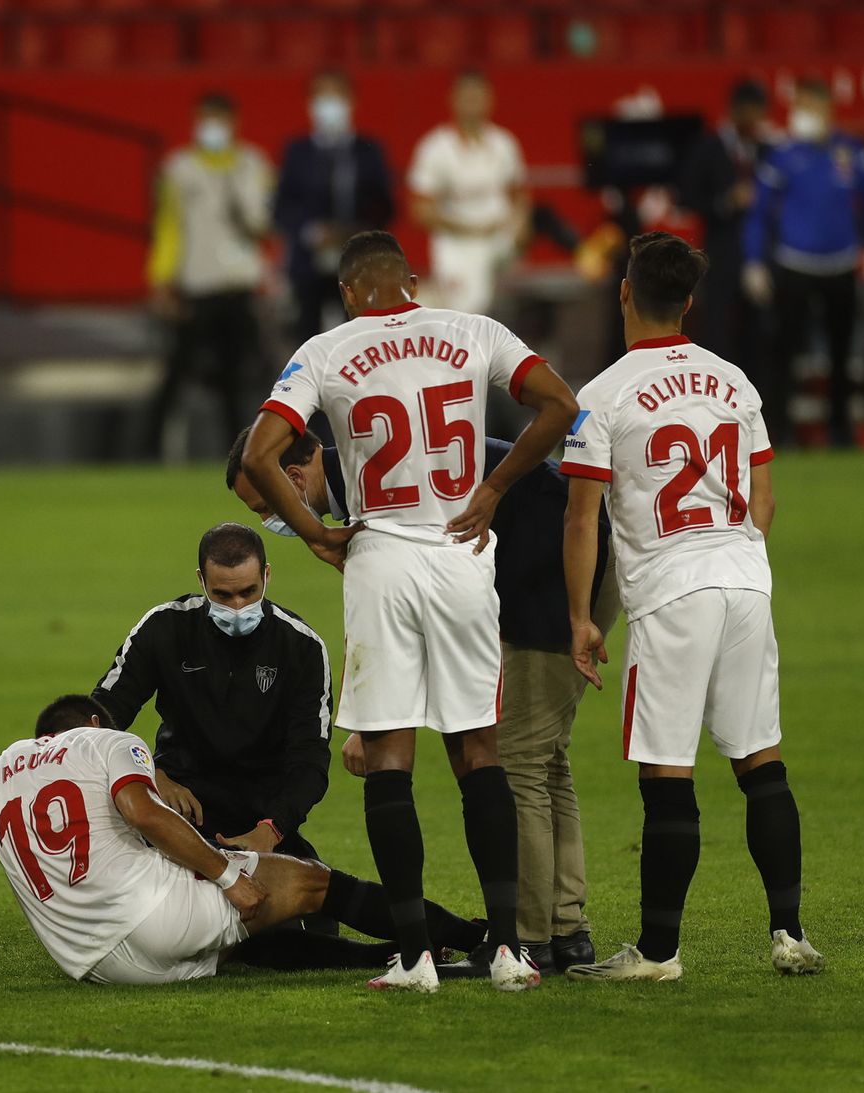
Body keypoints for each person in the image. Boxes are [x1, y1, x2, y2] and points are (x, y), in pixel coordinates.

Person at [242, 230, 579, 994]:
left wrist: (316, 532)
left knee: (389, 758)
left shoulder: (325, 349)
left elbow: (261, 452)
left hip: (383, 557)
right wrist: (494, 487)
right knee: (479, 750)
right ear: (413, 282)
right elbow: (561, 404)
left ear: (347, 293)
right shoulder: (474, 330)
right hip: (462, 551)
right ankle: (507, 949)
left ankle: (417, 956)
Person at [226, 425, 622, 975]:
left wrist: (373, 720)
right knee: (543, 758)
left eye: (266, 505)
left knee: (519, 761)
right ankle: (564, 930)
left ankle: (528, 939)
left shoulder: (370, 493)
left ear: (292, 476)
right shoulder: (371, 464)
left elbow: (408, 600)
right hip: (575, 554)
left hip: (556, 566)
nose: (273, 520)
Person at [560, 231, 824, 982]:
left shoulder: (603, 394)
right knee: (760, 760)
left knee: (667, 772)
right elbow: (764, 496)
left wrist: (581, 618)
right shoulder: (735, 382)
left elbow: (582, 519)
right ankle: (790, 933)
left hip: (671, 591)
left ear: (625, 294)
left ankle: (658, 952)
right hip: (745, 579)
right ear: (688, 302)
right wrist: (736, 556)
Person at [0, 695, 485, 988]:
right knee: (310, 883)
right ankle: (472, 938)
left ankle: (385, 959)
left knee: (242, 945)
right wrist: (230, 877)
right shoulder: (106, 741)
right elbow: (142, 812)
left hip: (95, 968)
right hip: (153, 920)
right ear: (93, 722)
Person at [91, 523, 332, 865]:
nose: (237, 607)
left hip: (261, 818)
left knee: (316, 899)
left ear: (266, 576)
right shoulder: (165, 628)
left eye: (248, 592)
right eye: (222, 595)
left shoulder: (302, 647)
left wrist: (273, 829)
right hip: (178, 806)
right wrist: (149, 775)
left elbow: (310, 760)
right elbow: (96, 722)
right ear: (201, 581)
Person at [742, 76, 864, 448]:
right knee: (784, 352)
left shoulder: (853, 152)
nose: (800, 115)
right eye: (798, 107)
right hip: (794, 265)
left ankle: (840, 431)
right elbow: (760, 213)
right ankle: (779, 431)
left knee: (843, 354)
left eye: (808, 107)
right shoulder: (782, 156)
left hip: (841, 266)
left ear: (827, 110)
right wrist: (754, 261)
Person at [146, 92, 274, 454]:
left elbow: (267, 224)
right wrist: (161, 278)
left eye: (218, 120)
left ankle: (242, 454)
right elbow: (169, 227)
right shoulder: (178, 169)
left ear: (233, 122)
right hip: (198, 286)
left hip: (239, 285)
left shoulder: (254, 165)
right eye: (205, 120)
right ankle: (147, 449)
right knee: (177, 372)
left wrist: (249, 217)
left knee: (239, 379)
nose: (211, 128)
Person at [274, 70, 395, 346]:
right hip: (309, 264)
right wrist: (311, 232)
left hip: (358, 264)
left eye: (336, 96)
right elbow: (282, 207)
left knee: (359, 342)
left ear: (351, 101)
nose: (329, 104)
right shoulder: (297, 151)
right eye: (322, 96)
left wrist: (355, 232)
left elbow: (385, 206)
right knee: (308, 342)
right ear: (310, 103)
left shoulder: (368, 151)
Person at [407, 70, 530, 314]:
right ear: (452, 99)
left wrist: (520, 225)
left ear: (490, 99)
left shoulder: (504, 144)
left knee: (506, 314)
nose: (473, 102)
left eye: (478, 96)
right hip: (457, 246)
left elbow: (520, 194)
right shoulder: (435, 148)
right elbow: (420, 209)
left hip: (500, 242)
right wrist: (467, 228)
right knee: (466, 313)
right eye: (466, 96)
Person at [678, 79, 774, 364]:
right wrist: (725, 202)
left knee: (759, 328)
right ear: (735, 110)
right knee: (717, 324)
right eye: (750, 112)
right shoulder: (708, 147)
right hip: (720, 250)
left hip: (760, 254)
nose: (755, 120)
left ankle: (756, 388)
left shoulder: (767, 150)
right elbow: (687, 195)